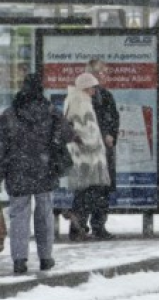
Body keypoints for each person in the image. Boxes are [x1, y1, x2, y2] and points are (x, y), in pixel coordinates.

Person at [0, 74, 75, 274]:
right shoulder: (51, 112)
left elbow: (2, 146)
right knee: (44, 214)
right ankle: (45, 257)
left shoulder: (9, 114)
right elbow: (68, 134)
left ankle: (19, 260)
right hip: (45, 170)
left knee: (18, 215)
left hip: (17, 170)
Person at [64, 72, 111, 242]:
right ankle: (78, 226)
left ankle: (78, 225)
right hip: (87, 157)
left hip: (81, 155)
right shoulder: (81, 102)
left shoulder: (74, 99)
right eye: (92, 87)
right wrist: (96, 144)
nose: (94, 91)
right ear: (85, 87)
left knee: (83, 192)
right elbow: (86, 131)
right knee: (87, 193)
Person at [85, 59, 119, 239]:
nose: (104, 76)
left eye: (105, 73)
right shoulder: (82, 97)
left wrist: (111, 135)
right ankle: (80, 225)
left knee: (102, 190)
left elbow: (114, 119)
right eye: (101, 73)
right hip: (88, 151)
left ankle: (99, 224)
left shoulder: (106, 96)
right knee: (87, 188)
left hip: (104, 150)